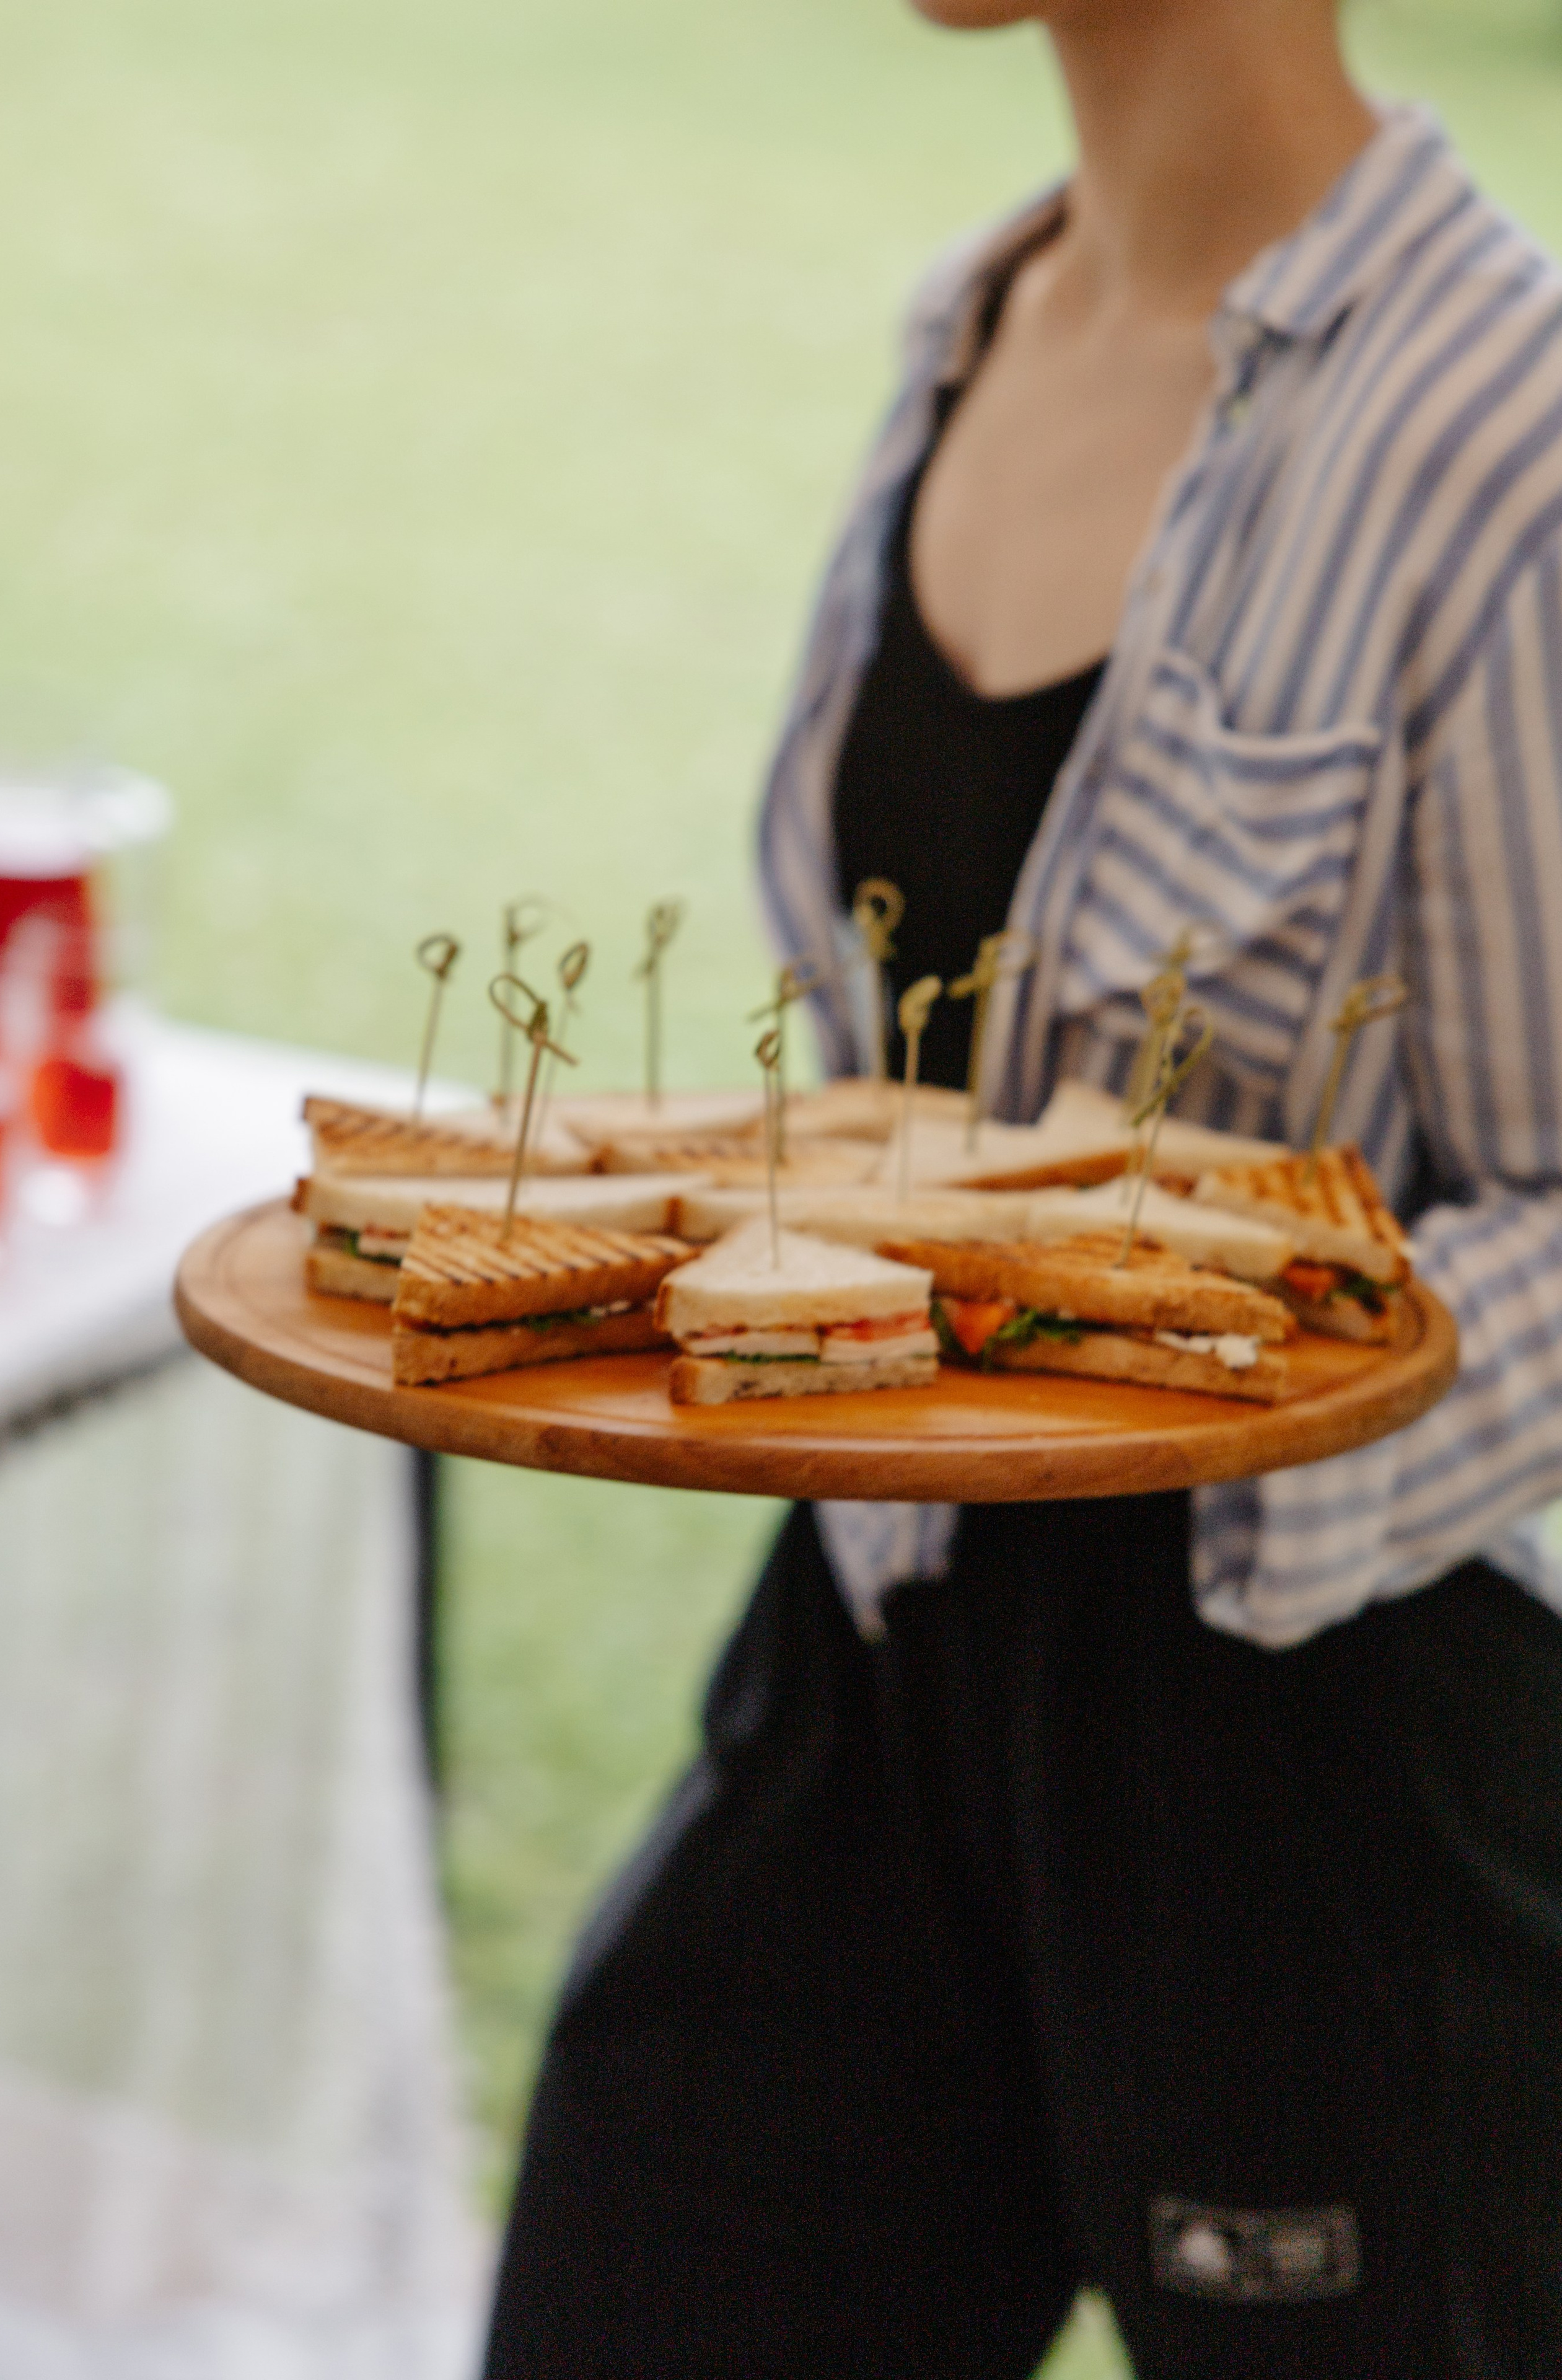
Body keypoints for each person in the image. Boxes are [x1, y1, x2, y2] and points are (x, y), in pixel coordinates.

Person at [485, 3, 1562, 2373]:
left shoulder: (1508, 429)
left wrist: (1203, 1401)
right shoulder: (969, 324)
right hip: (873, 1642)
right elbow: (902, 1072)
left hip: (1310, 1756)